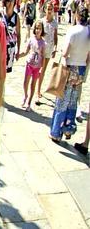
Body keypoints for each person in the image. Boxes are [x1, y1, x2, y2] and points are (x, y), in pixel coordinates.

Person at [49, 7, 89, 142]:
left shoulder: (73, 31)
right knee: (73, 101)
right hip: (81, 68)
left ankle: (56, 132)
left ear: (77, 16)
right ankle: (68, 129)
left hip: (70, 66)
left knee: (62, 100)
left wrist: (61, 52)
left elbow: (65, 53)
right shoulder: (88, 32)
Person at [18, 21, 46, 112]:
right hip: (29, 64)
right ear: (34, 29)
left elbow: (44, 57)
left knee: (33, 85)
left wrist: (42, 68)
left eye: (40, 28)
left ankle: (29, 102)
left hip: (37, 67)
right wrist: (19, 55)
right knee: (25, 82)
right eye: (37, 28)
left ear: (42, 30)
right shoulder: (31, 39)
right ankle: (25, 95)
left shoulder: (43, 43)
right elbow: (26, 51)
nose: (38, 30)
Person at [36, 2, 58, 100]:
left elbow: (55, 36)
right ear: (45, 9)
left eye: (51, 9)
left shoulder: (55, 23)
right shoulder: (41, 21)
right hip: (41, 48)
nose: (49, 11)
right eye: (48, 9)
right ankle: (37, 90)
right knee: (38, 69)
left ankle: (38, 90)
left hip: (49, 49)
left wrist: (55, 48)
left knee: (43, 70)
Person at [0, 0, 21, 73]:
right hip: (0, 46)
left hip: (11, 48)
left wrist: (18, 51)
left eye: (12, 0)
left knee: (6, 71)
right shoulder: (0, 14)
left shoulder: (16, 17)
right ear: (5, 2)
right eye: (8, 0)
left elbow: (19, 34)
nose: (10, 2)